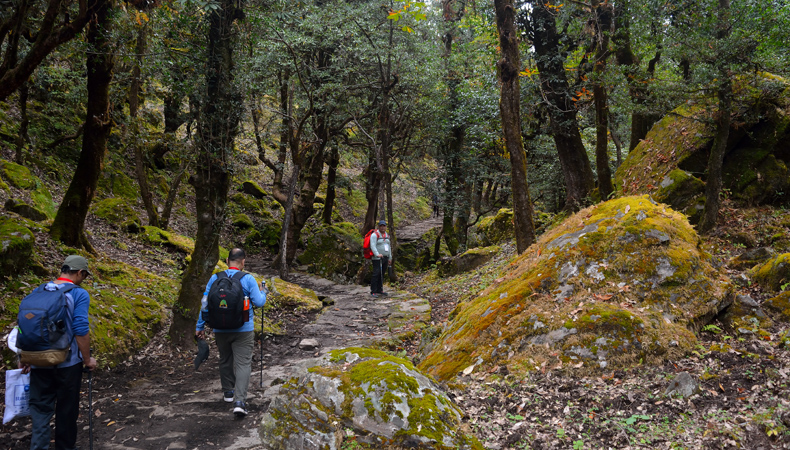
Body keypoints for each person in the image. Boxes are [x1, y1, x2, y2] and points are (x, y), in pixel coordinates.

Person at [20, 255, 98, 450]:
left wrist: (25, 356)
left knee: (40, 410)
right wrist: (87, 359)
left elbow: (25, 326)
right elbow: (80, 327)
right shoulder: (79, 294)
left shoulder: (38, 291)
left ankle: (39, 447)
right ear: (79, 272)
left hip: (38, 360)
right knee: (66, 411)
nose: (84, 279)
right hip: (67, 363)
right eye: (85, 275)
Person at [195, 248, 266, 417]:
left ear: (227, 261)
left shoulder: (215, 278)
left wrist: (200, 326)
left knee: (225, 359)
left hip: (220, 327)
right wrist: (263, 291)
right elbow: (259, 302)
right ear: (243, 262)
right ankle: (240, 401)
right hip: (243, 329)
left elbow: (205, 303)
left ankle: (228, 393)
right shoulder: (248, 279)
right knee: (243, 364)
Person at [369, 220, 391, 297]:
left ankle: (380, 289)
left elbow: (389, 247)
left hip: (385, 257)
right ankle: (373, 291)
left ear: (385, 227)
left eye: (384, 226)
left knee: (382, 274)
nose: (382, 227)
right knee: (376, 273)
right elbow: (372, 245)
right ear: (378, 226)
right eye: (381, 226)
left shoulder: (387, 235)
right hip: (377, 258)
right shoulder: (375, 235)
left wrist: (390, 258)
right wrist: (377, 254)